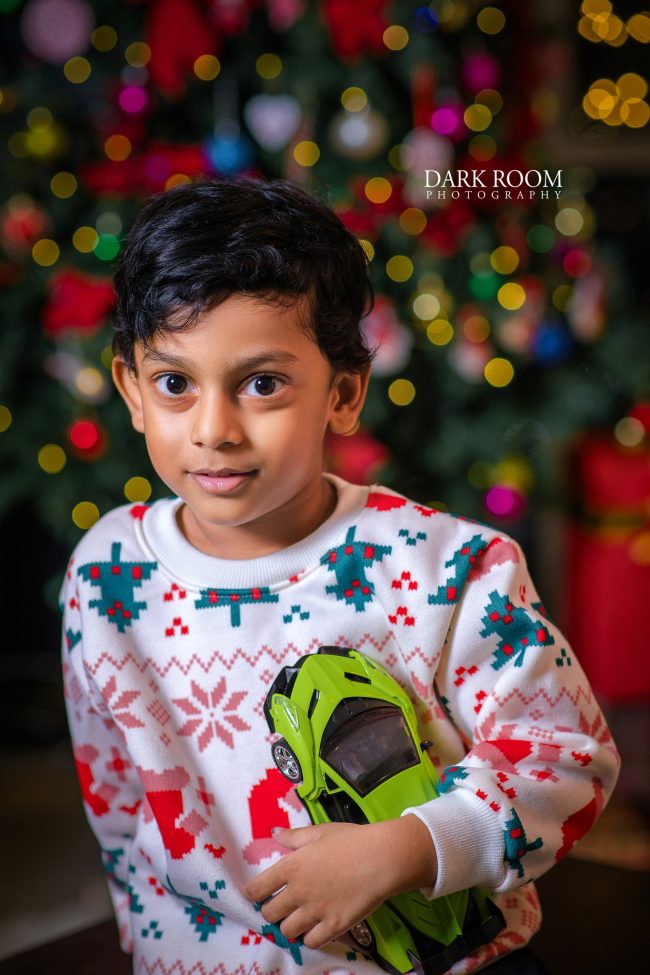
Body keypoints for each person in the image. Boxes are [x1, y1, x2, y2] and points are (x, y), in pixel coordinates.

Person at [60, 176, 619, 975]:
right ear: (132, 391)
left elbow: (567, 758)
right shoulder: (105, 577)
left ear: (345, 392)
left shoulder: (447, 569)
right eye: (176, 383)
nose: (214, 429)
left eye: (262, 383)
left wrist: (407, 847)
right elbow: (116, 798)